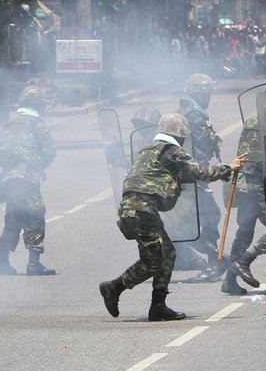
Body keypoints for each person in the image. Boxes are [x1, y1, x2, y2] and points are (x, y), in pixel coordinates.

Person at [98, 113, 245, 321]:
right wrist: (229, 168)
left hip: (135, 209)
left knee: (167, 254)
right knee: (154, 261)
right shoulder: (173, 151)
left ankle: (158, 305)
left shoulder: (147, 150)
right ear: (180, 135)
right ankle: (114, 287)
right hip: (142, 209)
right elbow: (200, 172)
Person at [224, 82, 266, 295]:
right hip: (257, 186)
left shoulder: (257, 120)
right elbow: (260, 161)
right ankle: (243, 262)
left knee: (244, 233)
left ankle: (229, 281)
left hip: (246, 186)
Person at [0, 86, 57, 276]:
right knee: (35, 216)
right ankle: (34, 264)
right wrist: (41, 162)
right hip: (27, 179)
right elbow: (49, 150)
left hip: (7, 179)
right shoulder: (37, 123)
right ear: (38, 104)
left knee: (13, 217)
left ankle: (2, 262)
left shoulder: (9, 124)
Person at [176, 73, 226, 282]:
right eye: (205, 94)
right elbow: (203, 144)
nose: (208, 98)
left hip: (196, 174)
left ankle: (215, 262)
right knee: (203, 217)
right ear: (196, 94)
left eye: (209, 94)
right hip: (192, 175)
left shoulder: (197, 112)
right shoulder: (192, 115)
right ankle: (216, 260)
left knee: (209, 216)